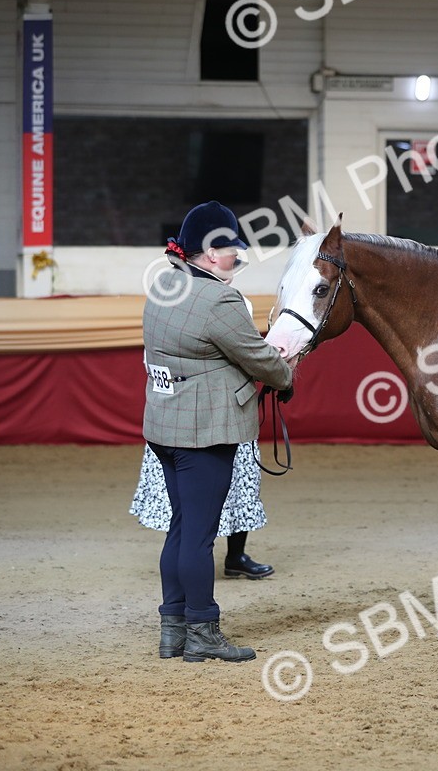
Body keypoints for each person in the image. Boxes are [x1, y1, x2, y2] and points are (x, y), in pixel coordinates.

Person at [143, 200, 293, 663]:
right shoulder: (219, 299)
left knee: (181, 529)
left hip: (164, 426)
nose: (238, 259)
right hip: (202, 432)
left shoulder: (164, 283)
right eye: (232, 251)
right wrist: (285, 375)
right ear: (210, 253)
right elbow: (257, 357)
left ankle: (173, 630)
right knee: (200, 536)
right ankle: (203, 631)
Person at [130, 440, 274, 580]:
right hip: (182, 436)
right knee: (179, 500)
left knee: (241, 491)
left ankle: (235, 557)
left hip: (231, 432)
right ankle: (185, 562)